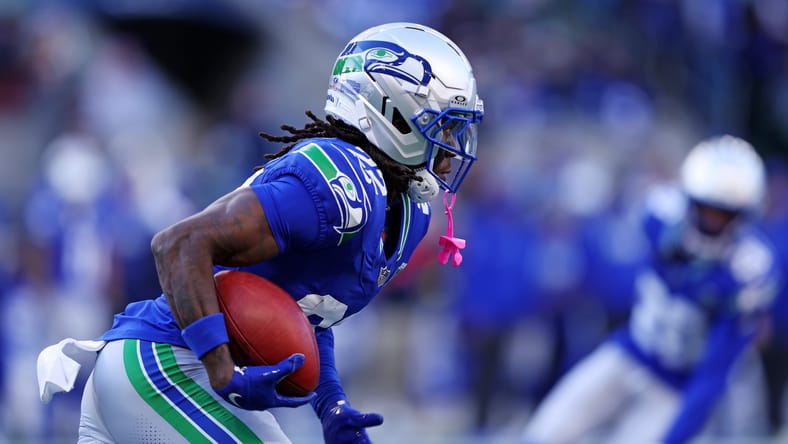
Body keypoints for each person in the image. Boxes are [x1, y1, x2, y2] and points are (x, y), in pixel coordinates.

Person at [36, 22, 484, 443]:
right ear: (391, 113)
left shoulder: (405, 210)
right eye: (443, 126)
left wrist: (330, 403)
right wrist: (220, 367)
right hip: (166, 365)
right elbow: (177, 243)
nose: (452, 150)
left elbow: (309, 314)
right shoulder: (343, 184)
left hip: (158, 373)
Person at [520, 135, 783, 444]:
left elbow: (714, 372)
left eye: (724, 214)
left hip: (674, 386)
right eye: (706, 209)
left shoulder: (747, 272)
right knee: (545, 433)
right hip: (629, 351)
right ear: (689, 200)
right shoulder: (662, 213)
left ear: (745, 215)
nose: (713, 221)